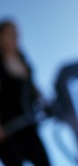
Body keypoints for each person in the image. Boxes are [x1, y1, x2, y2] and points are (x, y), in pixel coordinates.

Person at [0, 20, 51, 166]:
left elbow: (31, 87)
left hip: (28, 126)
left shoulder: (23, 60)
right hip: (8, 131)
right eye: (10, 33)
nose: (15, 36)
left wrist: (45, 101)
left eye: (16, 32)